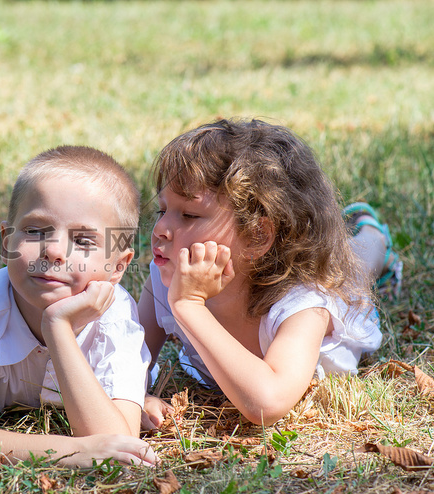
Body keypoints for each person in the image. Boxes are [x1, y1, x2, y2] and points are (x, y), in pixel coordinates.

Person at [139, 119, 402, 429]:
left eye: (188, 215)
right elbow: (127, 361)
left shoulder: (303, 305)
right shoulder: (167, 279)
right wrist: (134, 397)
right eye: (162, 210)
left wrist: (189, 306)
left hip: (332, 293)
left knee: (355, 272)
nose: (160, 230)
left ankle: (373, 235)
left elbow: (266, 404)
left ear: (256, 236)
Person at [0, 146, 158, 467]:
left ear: (118, 267)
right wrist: (68, 452)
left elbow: (118, 442)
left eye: (83, 240)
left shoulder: (117, 318)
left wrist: (58, 328)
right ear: (6, 242)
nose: (54, 250)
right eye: (35, 230)